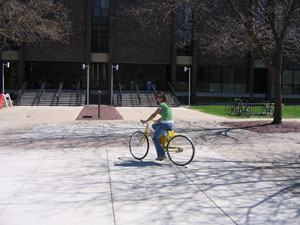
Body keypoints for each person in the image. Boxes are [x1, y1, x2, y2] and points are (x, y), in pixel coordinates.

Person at [141, 92, 173, 161]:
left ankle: (162, 155)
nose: (159, 98)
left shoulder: (161, 105)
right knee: (154, 125)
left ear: (163, 98)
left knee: (154, 139)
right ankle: (163, 136)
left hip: (165, 124)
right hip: (170, 123)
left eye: (160, 97)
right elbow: (165, 116)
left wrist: (145, 121)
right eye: (158, 97)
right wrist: (157, 120)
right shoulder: (167, 104)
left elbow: (154, 114)